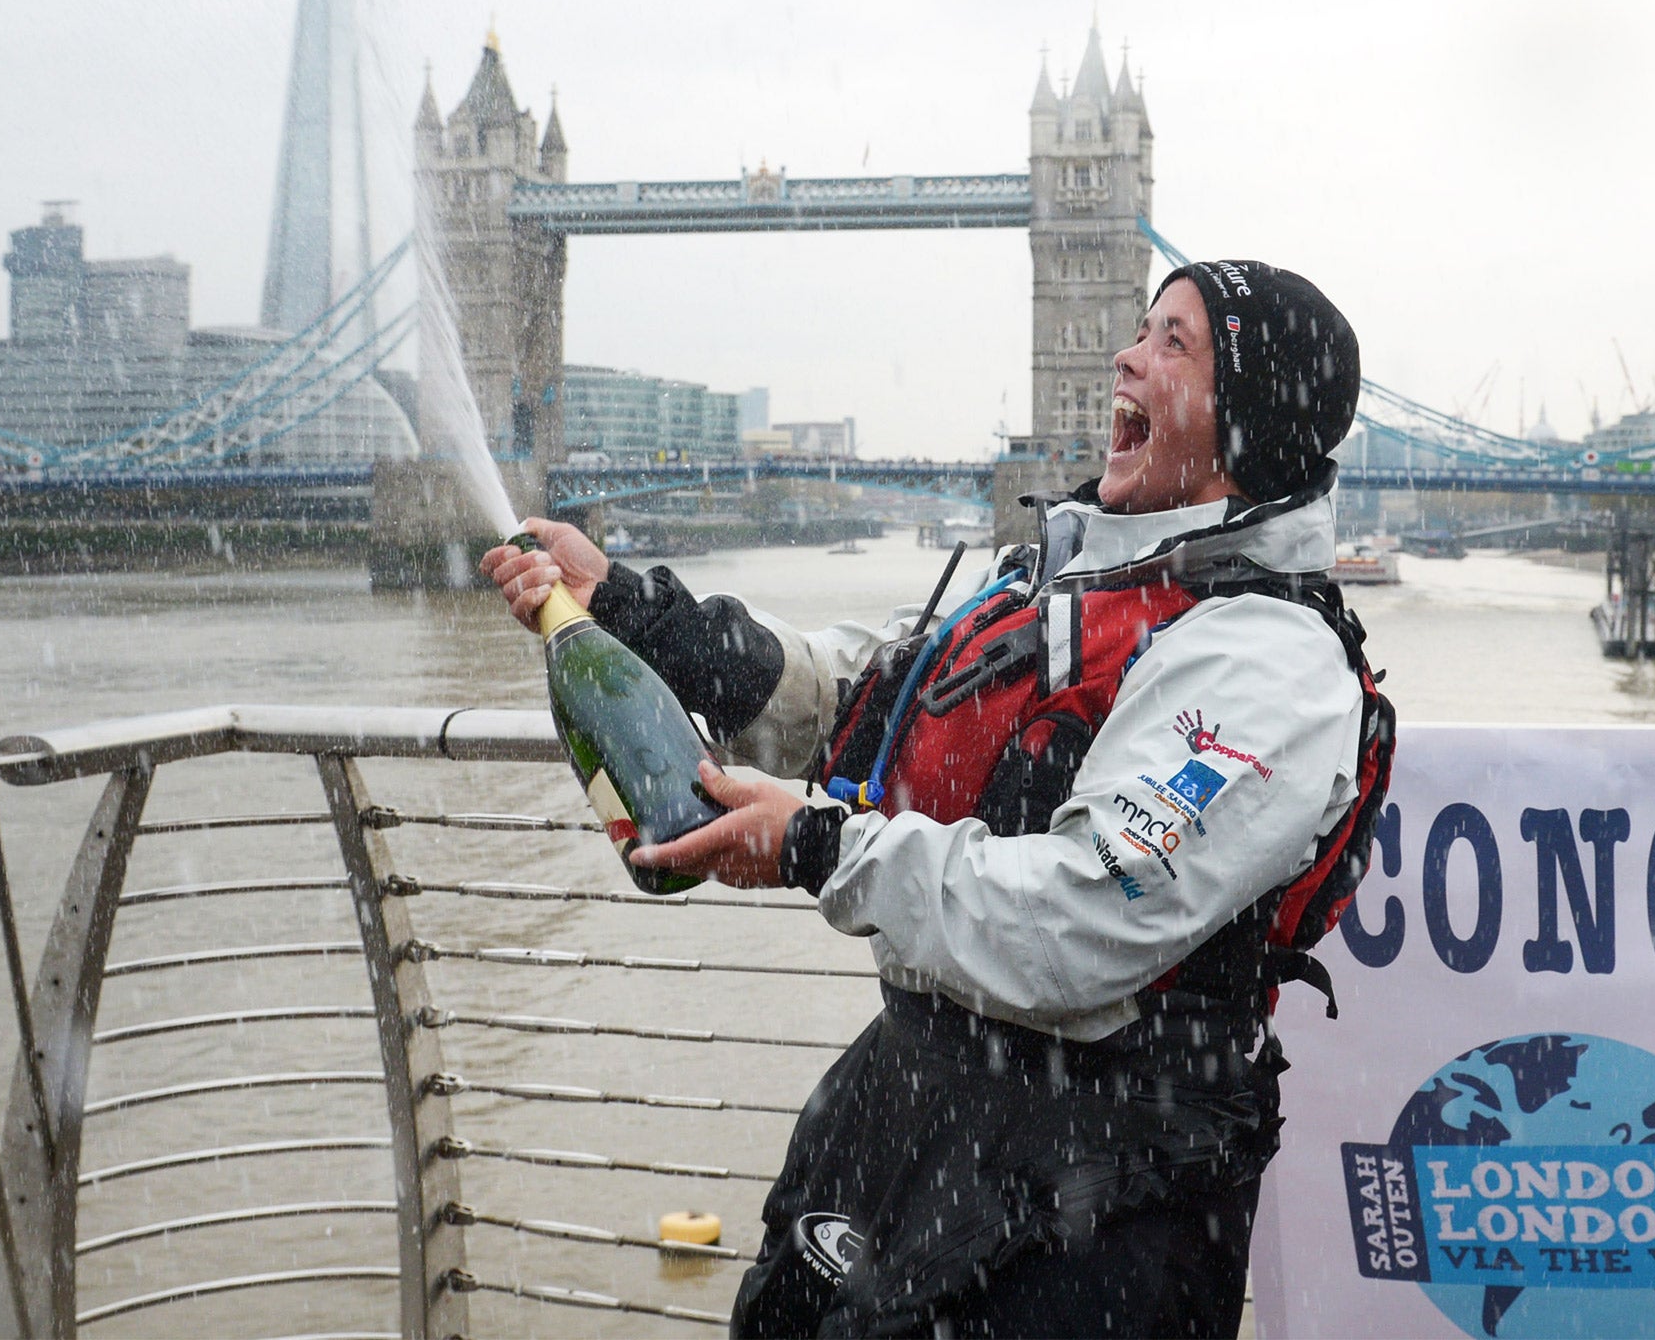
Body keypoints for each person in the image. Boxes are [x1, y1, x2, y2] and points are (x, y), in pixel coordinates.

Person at [481, 259, 1390, 1339]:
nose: (1124, 355)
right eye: (1139, 329)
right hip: (913, 1102)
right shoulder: (1055, 583)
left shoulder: (1267, 661)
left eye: (1173, 345)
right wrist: (632, 610)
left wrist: (815, 849)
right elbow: (852, 699)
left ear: (1244, 424)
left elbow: (1092, 913)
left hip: (1101, 1173)